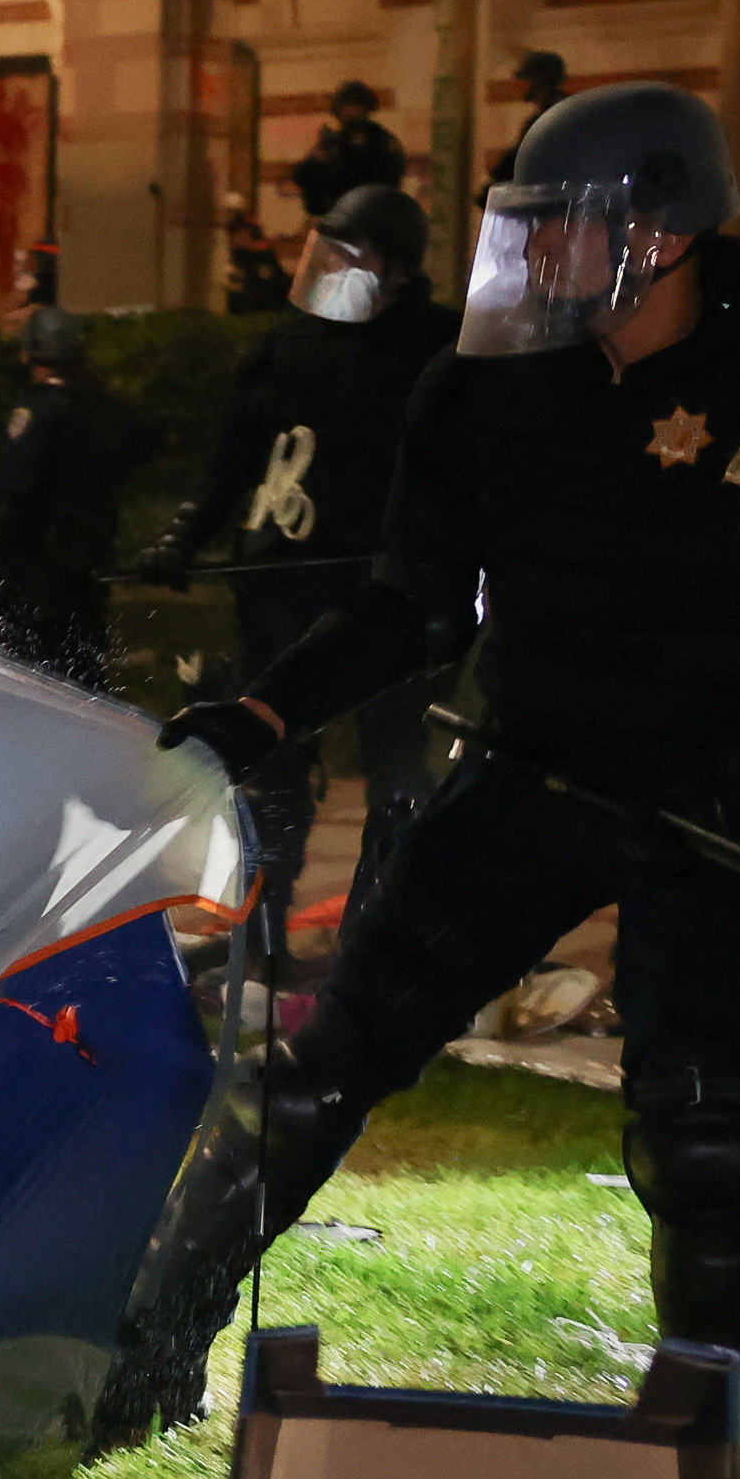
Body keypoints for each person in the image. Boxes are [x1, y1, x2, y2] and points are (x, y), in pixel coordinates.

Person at [112, 83, 740, 1479]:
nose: (528, 261)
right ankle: (141, 1348)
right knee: (311, 1067)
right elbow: (411, 604)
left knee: (702, 1130)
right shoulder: (480, 388)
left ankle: (717, 1451)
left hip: (716, 809)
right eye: (521, 233)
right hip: (531, 772)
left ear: (658, 232)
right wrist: (262, 709)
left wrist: (722, 780)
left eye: (558, 231)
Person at [144, 185, 458, 927]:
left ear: (397, 269)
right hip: (277, 581)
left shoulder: (433, 352)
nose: (333, 268)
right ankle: (260, 921)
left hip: (380, 594)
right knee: (270, 757)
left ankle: (382, 925)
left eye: (356, 254)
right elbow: (234, 457)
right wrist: (182, 537)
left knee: (394, 760)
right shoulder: (287, 347)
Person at [0, 305, 153, 690]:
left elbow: (14, 490)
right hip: (88, 558)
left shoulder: (38, 411)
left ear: (30, 353)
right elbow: (139, 447)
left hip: (35, 566)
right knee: (82, 667)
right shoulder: (102, 408)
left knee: (25, 673)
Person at [291, 82, 409, 220]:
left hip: (367, 215)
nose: (348, 111)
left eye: (353, 106)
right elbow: (302, 175)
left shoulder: (378, 139)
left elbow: (380, 177)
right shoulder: (337, 140)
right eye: (345, 106)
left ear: (364, 108)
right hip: (337, 215)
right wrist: (319, 159)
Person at [485, 50, 570, 192]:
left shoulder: (552, 118)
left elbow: (522, 163)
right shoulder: (556, 112)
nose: (518, 85)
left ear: (539, 80)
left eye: (525, 79)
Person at [223, 199, 291, 315]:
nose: (242, 237)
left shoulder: (264, 255)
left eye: (245, 234)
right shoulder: (234, 257)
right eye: (238, 234)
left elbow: (278, 278)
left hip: (266, 304)